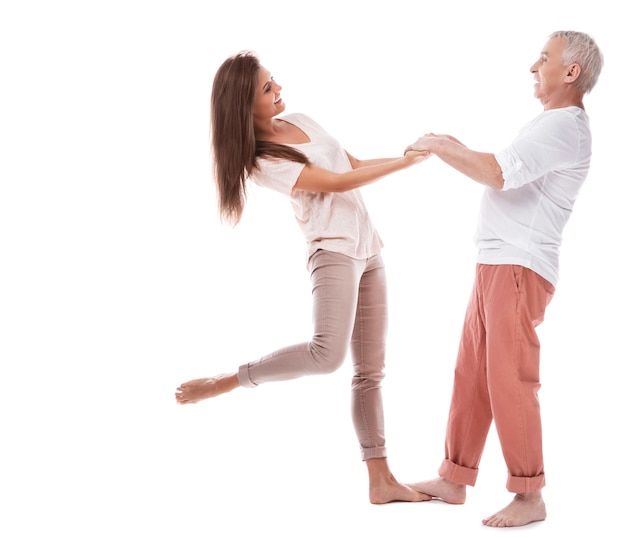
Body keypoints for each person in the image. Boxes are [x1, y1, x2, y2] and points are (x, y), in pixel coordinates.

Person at [175, 50, 431, 504]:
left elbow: (351, 164)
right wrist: (409, 165)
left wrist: (408, 154)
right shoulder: (260, 161)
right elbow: (336, 183)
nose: (279, 91)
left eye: (275, 81)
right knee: (325, 356)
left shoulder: (304, 119)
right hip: (332, 252)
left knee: (370, 372)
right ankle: (229, 381)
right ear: (242, 105)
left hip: (367, 247)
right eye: (267, 89)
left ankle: (381, 481)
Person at [404, 30, 604, 527]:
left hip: (518, 267)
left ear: (571, 72)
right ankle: (454, 478)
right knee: (472, 374)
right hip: (496, 264)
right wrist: (452, 145)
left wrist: (439, 147)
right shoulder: (551, 124)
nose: (533, 66)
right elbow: (505, 169)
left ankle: (529, 494)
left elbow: (499, 173)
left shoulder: (564, 128)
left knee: (509, 379)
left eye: (544, 58)